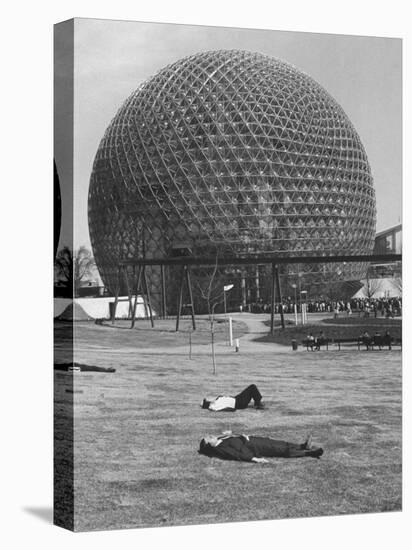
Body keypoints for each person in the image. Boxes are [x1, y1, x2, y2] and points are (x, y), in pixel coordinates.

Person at [198, 432, 323, 462]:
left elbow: (233, 437)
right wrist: (255, 459)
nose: (210, 436)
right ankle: (310, 453)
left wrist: (230, 434)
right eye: (208, 438)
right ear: (209, 444)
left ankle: (302, 446)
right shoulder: (222, 449)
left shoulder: (220, 439)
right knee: (281, 450)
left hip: (254, 440)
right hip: (254, 447)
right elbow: (237, 455)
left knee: (280, 443)